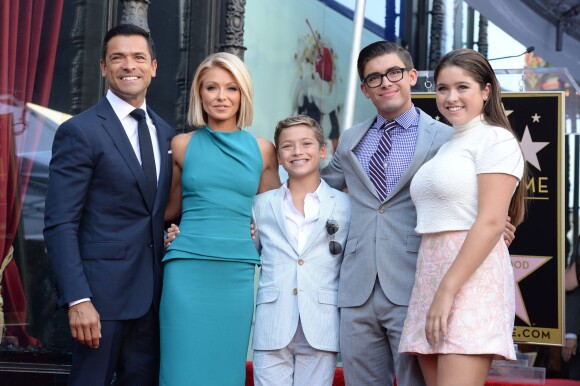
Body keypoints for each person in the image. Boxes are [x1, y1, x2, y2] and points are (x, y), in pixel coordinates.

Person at [320, 41, 515, 386]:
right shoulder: (350, 140)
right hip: (361, 282)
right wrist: (264, 205)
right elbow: (320, 190)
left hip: (414, 280)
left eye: (394, 72)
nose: (386, 82)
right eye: (374, 78)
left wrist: (497, 225)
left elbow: (487, 210)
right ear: (364, 90)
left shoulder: (448, 135)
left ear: (411, 76)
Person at [43, 24, 174, 385]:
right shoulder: (80, 131)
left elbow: (159, 212)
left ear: (154, 67)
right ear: (103, 67)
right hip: (100, 302)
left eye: (138, 57)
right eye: (117, 57)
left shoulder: (167, 134)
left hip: (154, 301)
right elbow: (60, 223)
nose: (128, 65)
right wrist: (78, 299)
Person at [399, 48, 526, 385]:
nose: (451, 97)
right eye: (442, 88)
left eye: (462, 87)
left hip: (467, 282)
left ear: (486, 90)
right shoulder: (448, 144)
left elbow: (491, 222)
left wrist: (447, 290)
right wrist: (436, 290)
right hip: (431, 274)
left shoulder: (496, 139)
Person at [160, 52, 280, 385]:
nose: (221, 97)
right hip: (186, 268)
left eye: (231, 88)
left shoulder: (263, 150)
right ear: (200, 93)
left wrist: (257, 233)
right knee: (180, 371)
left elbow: (275, 216)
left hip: (235, 274)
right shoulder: (181, 145)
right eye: (212, 88)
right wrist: (170, 231)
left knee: (225, 371)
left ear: (243, 94)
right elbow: (169, 211)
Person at [251, 115, 351, 386]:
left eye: (306, 143)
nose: (297, 152)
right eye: (287, 146)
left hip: (321, 323)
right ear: (279, 157)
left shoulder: (346, 206)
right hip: (272, 323)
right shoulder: (260, 205)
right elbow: (245, 252)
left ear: (322, 151)